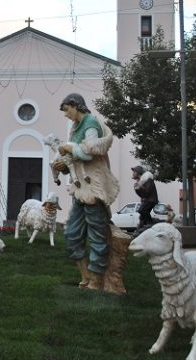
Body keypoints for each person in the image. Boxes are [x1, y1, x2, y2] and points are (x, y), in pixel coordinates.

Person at [56, 93, 120, 290]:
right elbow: (75, 158)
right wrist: (63, 165)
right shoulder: (76, 127)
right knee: (72, 234)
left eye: (67, 110)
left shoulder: (91, 122)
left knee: (97, 235)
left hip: (93, 187)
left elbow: (91, 151)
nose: (66, 115)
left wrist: (69, 149)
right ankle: (85, 275)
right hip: (80, 189)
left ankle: (97, 279)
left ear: (76, 106)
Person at [132, 165, 158, 229]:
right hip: (147, 200)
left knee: (142, 210)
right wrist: (137, 189)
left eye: (134, 172)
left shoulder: (147, 179)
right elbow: (142, 195)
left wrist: (140, 187)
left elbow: (147, 192)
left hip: (150, 200)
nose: (133, 173)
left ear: (138, 173)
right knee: (142, 218)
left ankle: (151, 223)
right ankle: (141, 229)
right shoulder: (140, 182)